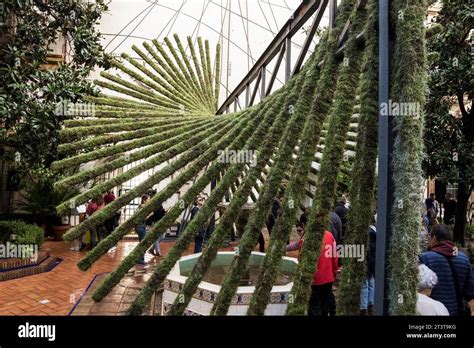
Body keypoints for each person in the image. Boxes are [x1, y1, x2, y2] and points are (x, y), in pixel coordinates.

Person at [419, 224, 474, 315]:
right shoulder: (464, 259)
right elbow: (470, 293)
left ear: (434, 238)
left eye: (429, 237)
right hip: (456, 312)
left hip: (432, 312)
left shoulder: (425, 258)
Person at [286, 226, 338, 316]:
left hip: (315, 280)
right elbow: (335, 258)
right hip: (328, 278)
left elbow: (301, 258)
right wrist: (333, 273)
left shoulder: (308, 237)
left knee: (314, 306)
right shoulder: (329, 235)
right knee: (324, 305)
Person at [360, 215, 376, 316]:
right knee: (371, 284)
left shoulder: (368, 233)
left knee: (365, 285)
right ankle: (370, 306)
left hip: (367, 261)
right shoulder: (374, 231)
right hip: (372, 262)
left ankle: (363, 308)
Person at [134, 194, 149, 265]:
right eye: (148, 199)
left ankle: (140, 259)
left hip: (140, 226)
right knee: (143, 244)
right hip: (140, 227)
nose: (150, 201)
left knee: (142, 243)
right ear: (144, 200)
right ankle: (140, 259)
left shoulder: (141, 207)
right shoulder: (142, 207)